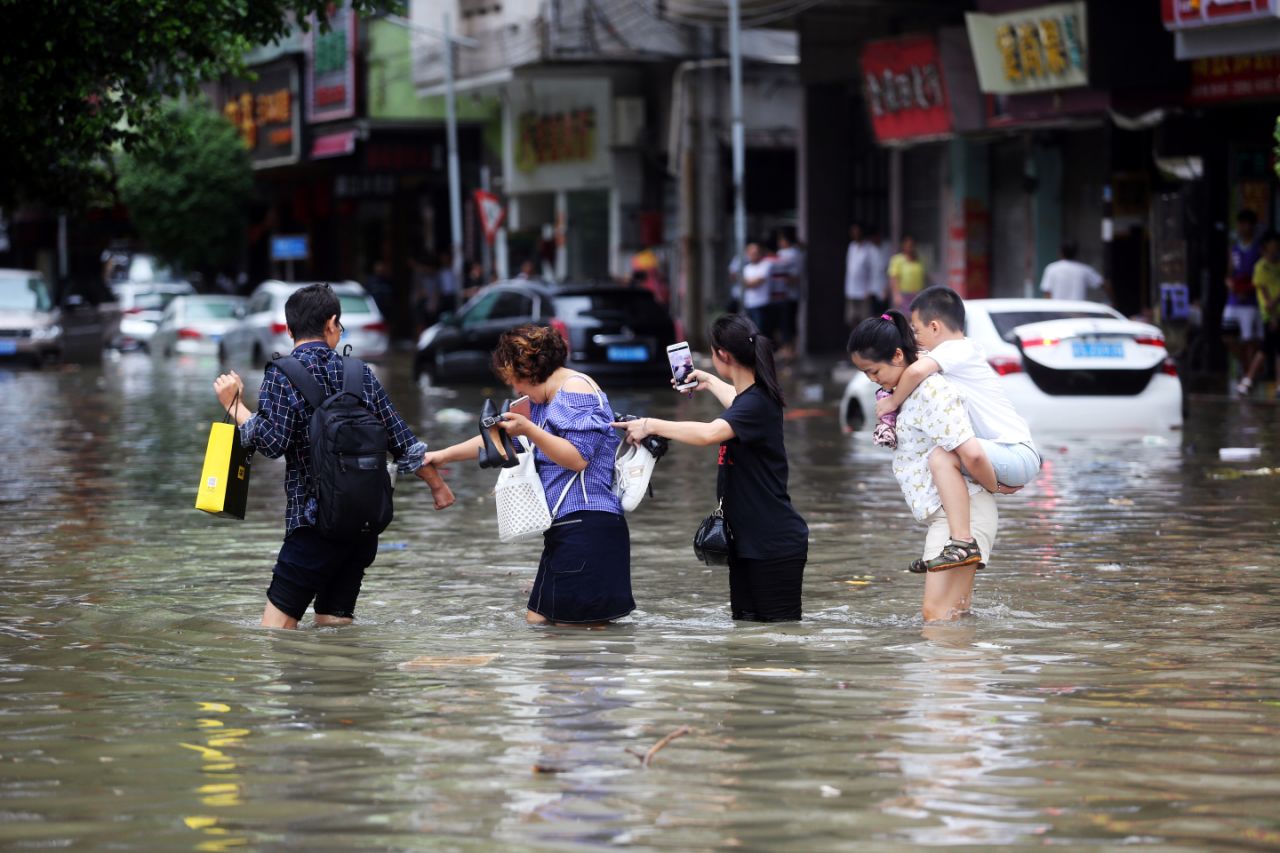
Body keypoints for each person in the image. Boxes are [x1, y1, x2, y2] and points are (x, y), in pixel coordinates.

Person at [212, 283, 455, 629]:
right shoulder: (360, 374)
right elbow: (401, 440)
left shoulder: (281, 375)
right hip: (362, 528)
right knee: (335, 628)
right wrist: (437, 487)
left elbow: (271, 443)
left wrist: (234, 405)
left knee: (274, 633)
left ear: (289, 328)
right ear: (332, 323)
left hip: (312, 527)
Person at [421, 324, 633, 627]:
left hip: (588, 525)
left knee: (577, 637)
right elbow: (504, 440)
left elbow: (577, 458)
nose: (516, 390)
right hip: (567, 527)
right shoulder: (543, 400)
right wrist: (441, 456)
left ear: (530, 370)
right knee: (539, 622)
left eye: (516, 381)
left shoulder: (575, 389)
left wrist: (529, 428)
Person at [613, 315, 809, 622]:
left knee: (777, 642)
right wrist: (709, 380)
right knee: (748, 640)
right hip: (749, 542)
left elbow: (708, 434)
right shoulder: (753, 399)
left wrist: (650, 424)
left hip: (772, 546)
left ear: (724, 356)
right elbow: (736, 402)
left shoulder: (756, 404)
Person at [871, 287, 1038, 572]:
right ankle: (956, 543)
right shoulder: (958, 354)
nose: (916, 338)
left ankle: (961, 543)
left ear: (934, 326)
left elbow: (913, 372)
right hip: (1008, 453)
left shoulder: (958, 349)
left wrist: (892, 402)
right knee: (943, 454)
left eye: (917, 330)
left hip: (1015, 452)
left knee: (941, 456)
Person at [847, 312, 994, 622]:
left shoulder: (931, 390)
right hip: (952, 516)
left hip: (958, 519)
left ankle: (954, 669)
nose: (872, 381)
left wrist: (997, 486)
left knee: (936, 617)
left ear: (898, 355)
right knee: (953, 617)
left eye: (874, 371)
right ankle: (968, 670)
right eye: (865, 374)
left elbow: (973, 454)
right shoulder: (905, 392)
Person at [1225, 209, 1264, 396]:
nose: (1244, 227)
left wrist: (1247, 289)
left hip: (1251, 301)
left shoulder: (1258, 249)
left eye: (1247, 224)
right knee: (1228, 336)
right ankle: (1246, 368)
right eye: (1241, 223)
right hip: (1233, 300)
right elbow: (1229, 273)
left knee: (1250, 341)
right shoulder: (1234, 249)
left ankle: (1248, 376)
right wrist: (1231, 285)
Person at [1244, 231, 1280, 399]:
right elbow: (1265, 296)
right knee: (1266, 348)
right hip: (1270, 314)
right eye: (1272, 246)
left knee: (1271, 349)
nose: (1275, 250)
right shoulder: (1261, 267)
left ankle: (1249, 380)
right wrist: (1272, 316)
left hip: (1275, 312)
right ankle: (1248, 379)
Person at [1040, 241, 1105, 302]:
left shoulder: (1051, 268)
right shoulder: (1084, 269)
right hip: (1077, 311)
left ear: (1060, 252)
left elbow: (1047, 294)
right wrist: (1113, 302)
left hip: (1058, 310)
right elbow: (1103, 284)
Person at [739, 241, 773, 339]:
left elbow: (756, 282)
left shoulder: (766, 265)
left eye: (755, 253)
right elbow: (742, 282)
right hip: (748, 303)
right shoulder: (746, 268)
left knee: (761, 330)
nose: (753, 255)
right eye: (751, 253)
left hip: (762, 303)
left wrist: (748, 283)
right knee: (749, 331)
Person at [845, 223, 874, 330]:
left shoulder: (868, 247)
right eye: (853, 232)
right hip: (851, 289)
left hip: (863, 290)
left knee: (865, 319)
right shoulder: (851, 246)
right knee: (851, 318)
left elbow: (871, 269)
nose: (855, 234)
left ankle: (864, 344)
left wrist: (869, 288)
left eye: (857, 231)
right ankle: (855, 343)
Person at [867, 227, 891, 316]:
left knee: (885, 315)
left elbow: (890, 269)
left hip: (885, 287)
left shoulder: (887, 247)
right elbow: (868, 270)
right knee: (874, 314)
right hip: (873, 288)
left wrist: (887, 287)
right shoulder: (870, 249)